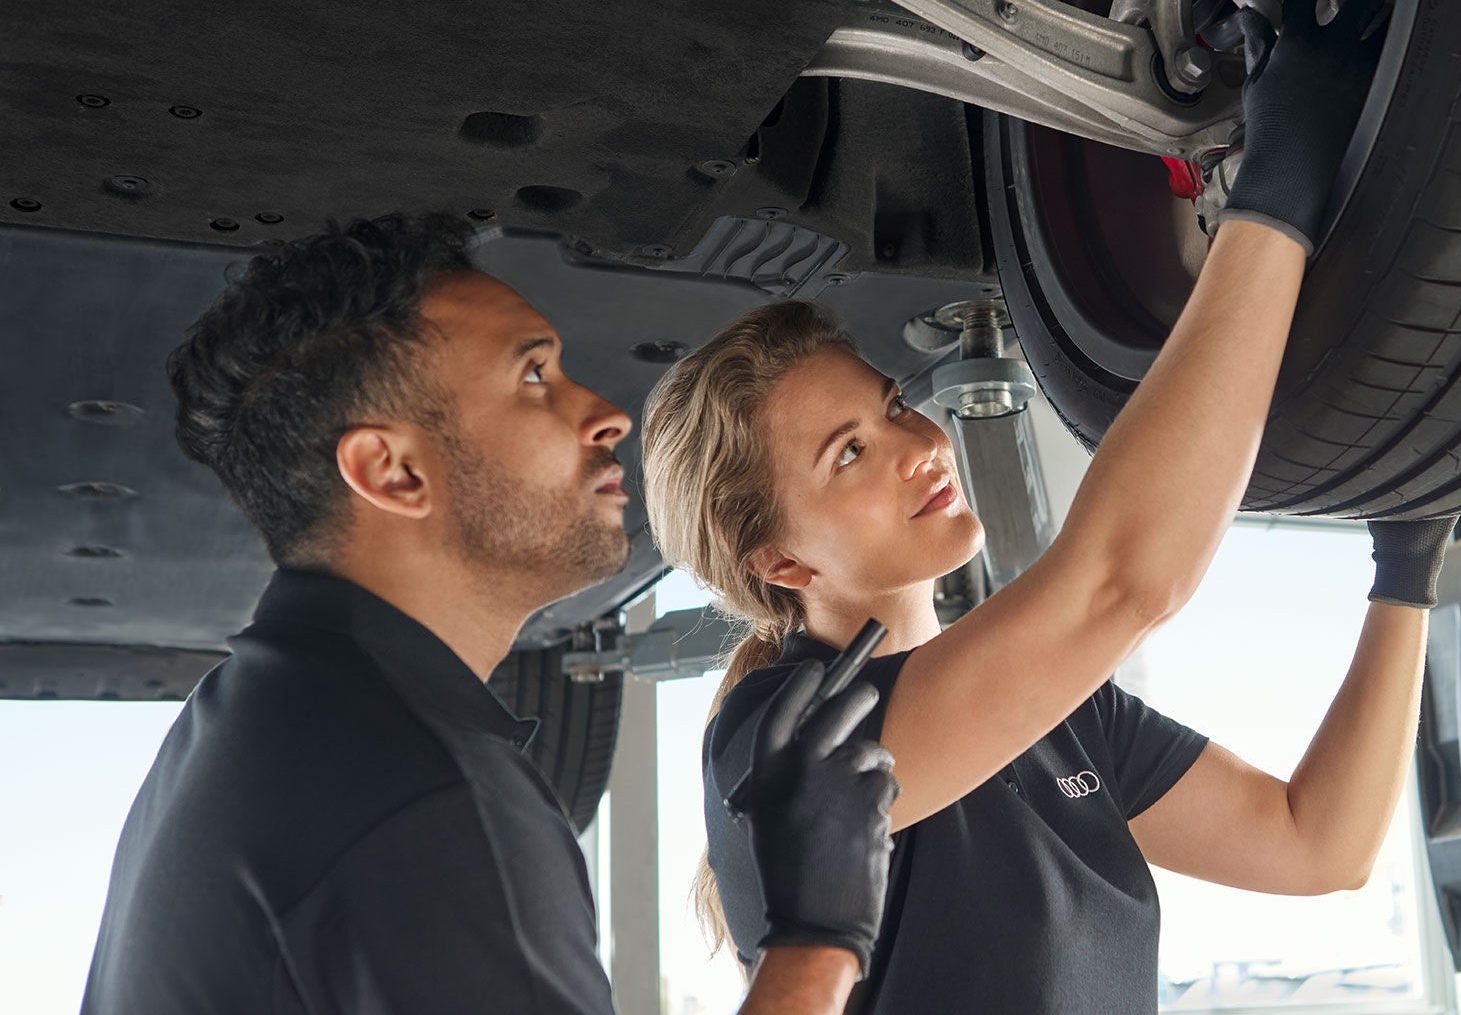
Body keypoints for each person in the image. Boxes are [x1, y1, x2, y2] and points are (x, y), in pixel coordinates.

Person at [640, 0, 1453, 1015]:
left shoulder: (1063, 719)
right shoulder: (780, 741)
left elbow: (1316, 843)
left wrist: (1406, 573)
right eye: (847, 454)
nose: (915, 446)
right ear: (783, 564)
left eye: (890, 406)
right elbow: (1122, 581)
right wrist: (1275, 195)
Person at [80, 213, 898, 1015]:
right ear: (394, 471)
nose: (607, 413)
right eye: (534, 378)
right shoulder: (426, 798)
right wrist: (818, 934)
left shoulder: (261, 724)